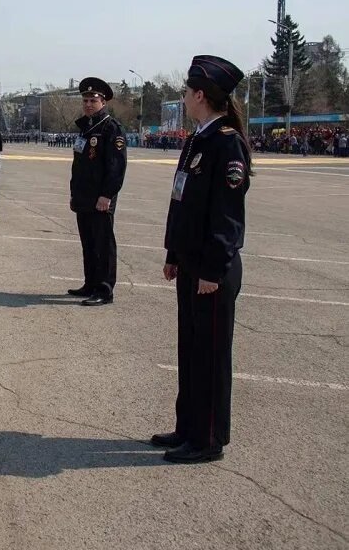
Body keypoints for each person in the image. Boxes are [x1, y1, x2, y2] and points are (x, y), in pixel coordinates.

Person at [155, 55, 251, 464]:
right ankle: (187, 427)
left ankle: (208, 438)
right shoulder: (197, 139)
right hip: (192, 262)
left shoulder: (226, 143)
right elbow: (182, 202)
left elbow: (226, 217)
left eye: (185, 92)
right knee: (190, 350)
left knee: (211, 356)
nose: (183, 97)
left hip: (214, 268)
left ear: (200, 95)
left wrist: (212, 270)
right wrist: (174, 253)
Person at [68, 77, 127, 307]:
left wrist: (107, 195)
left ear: (103, 102)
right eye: (85, 100)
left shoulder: (111, 128)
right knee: (88, 242)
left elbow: (116, 167)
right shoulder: (85, 128)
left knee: (103, 244)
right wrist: (74, 193)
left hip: (101, 198)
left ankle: (104, 288)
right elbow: (79, 165)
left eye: (93, 100)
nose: (88, 104)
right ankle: (90, 283)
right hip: (84, 196)